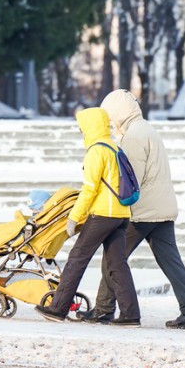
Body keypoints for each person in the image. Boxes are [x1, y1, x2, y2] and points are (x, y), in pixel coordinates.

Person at [79, 89, 185, 329]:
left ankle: (104, 309)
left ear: (117, 112)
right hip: (162, 207)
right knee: (171, 261)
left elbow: (130, 179)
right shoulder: (147, 129)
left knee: (113, 258)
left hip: (142, 211)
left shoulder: (134, 136)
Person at [34, 107, 141, 327]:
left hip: (102, 214)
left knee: (77, 258)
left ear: (89, 127)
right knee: (117, 264)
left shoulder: (96, 151)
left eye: (82, 127)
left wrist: (74, 218)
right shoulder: (114, 147)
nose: (81, 131)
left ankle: (58, 308)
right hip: (122, 214)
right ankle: (130, 315)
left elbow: (89, 189)